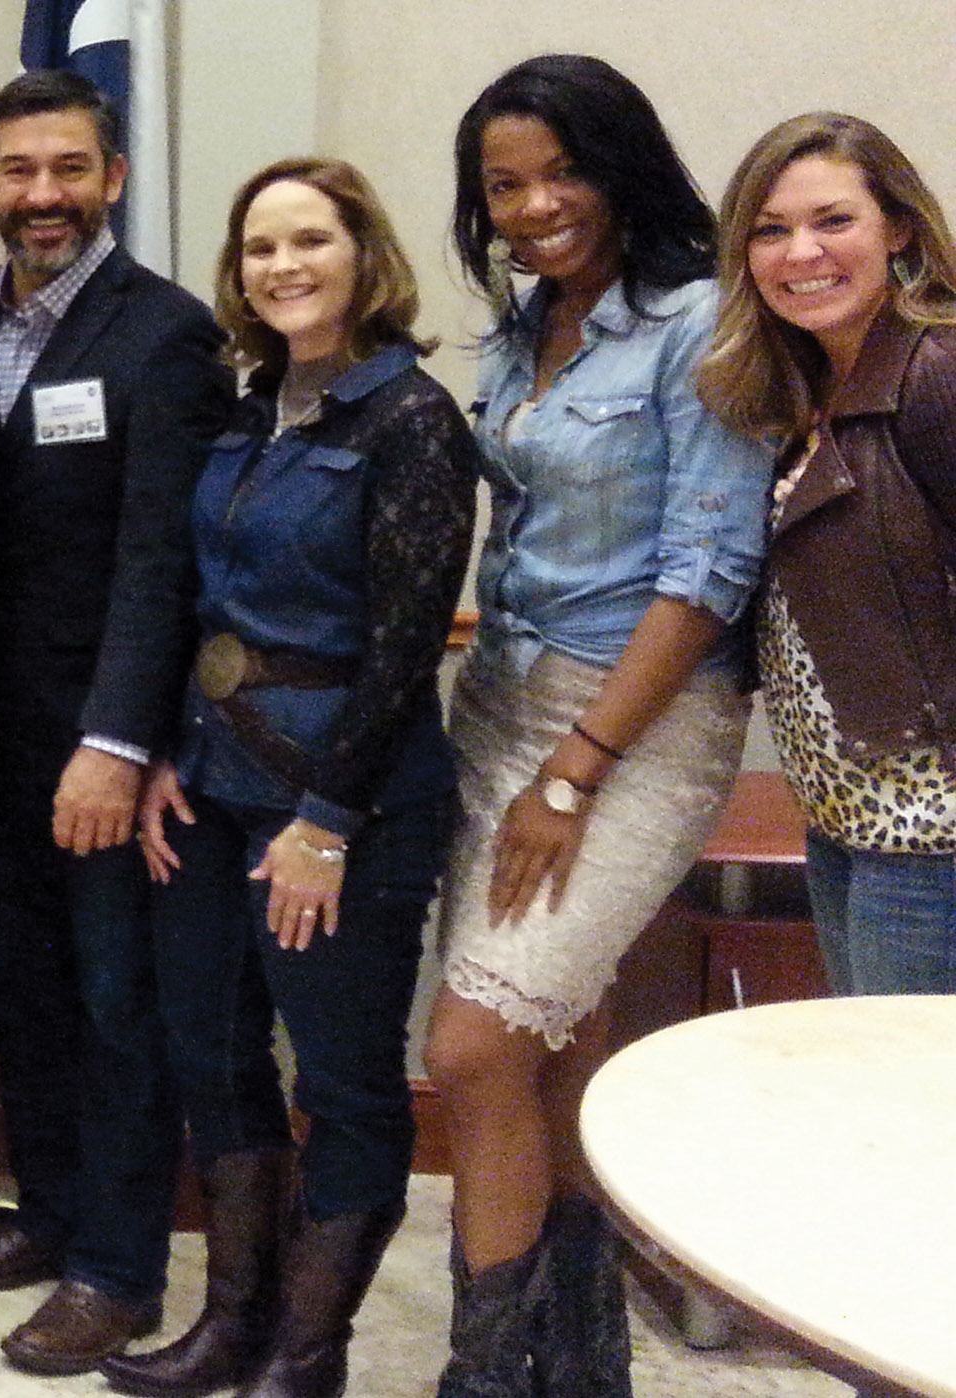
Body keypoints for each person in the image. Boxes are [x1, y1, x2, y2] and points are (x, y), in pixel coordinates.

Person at [425, 55, 768, 1397]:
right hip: (498, 703)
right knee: (554, 1045)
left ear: (620, 166)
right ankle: (577, 1362)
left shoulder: (699, 323)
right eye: (504, 185)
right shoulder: (524, 329)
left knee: (473, 1045)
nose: (535, 206)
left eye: (562, 171)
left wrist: (572, 775)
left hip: (632, 725)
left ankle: (488, 1374)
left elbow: (706, 575)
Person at [114, 157, 477, 1398]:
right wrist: (165, 748)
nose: (283, 266)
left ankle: (306, 1354)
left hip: (345, 805)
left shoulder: (415, 419)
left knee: (344, 1080)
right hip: (208, 787)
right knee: (211, 1054)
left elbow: (405, 641)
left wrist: (328, 821)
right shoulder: (246, 404)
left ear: (363, 254)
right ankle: (233, 1325)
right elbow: (192, 596)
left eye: (310, 240)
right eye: (260, 245)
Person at [0, 68, 228, 1378]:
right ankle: (45, 1212)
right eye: (17, 172)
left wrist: (116, 740)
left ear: (110, 177)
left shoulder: (166, 336)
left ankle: (116, 1267)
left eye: (66, 170)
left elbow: (162, 557)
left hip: (95, 749)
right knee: (16, 986)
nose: (41, 196)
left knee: (113, 1007)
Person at [698, 113, 956, 998]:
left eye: (832, 220)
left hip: (936, 832)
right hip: (848, 820)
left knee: (913, 1116)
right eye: (770, 231)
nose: (801, 252)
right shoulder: (801, 393)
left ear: (901, 230)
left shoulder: (938, 372)